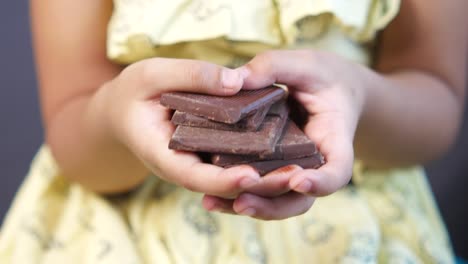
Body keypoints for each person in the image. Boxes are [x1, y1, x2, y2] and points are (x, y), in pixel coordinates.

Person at [1, 0, 467, 263]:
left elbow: (436, 108)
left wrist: (360, 98)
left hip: (356, 231)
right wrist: (116, 117)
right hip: (124, 235)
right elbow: (75, 139)